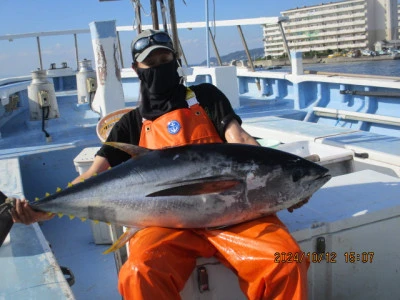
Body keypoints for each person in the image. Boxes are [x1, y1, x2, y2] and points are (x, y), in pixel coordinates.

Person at [12, 29, 309, 299]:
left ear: (175, 60)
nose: (159, 66)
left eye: (165, 58)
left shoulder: (206, 97)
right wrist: (45, 211)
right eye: (150, 62)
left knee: (286, 262)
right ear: (136, 69)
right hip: (166, 224)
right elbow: (93, 174)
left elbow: (241, 140)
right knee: (139, 273)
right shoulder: (129, 123)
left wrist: (283, 185)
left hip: (238, 215)